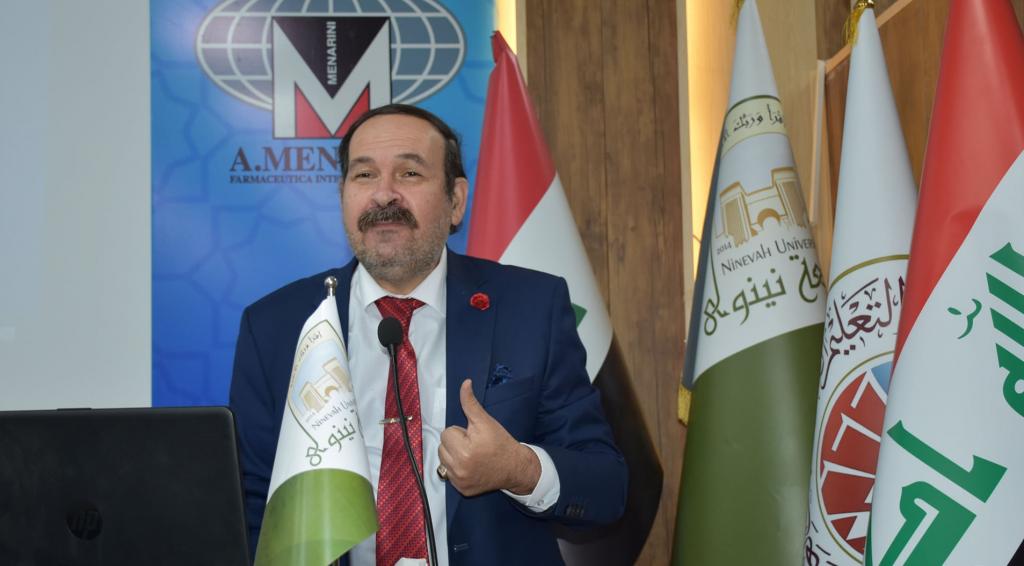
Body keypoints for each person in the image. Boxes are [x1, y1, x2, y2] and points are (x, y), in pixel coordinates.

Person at [229, 104, 627, 566]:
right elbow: (249, 503)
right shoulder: (277, 325)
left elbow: (605, 485)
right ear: (343, 197)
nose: (383, 194)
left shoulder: (530, 308)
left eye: (410, 173)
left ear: (456, 201)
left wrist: (517, 468)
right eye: (364, 175)